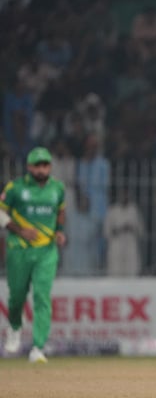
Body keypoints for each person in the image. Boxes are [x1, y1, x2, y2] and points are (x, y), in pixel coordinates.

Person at [1, 147, 67, 363]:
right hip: (19, 249)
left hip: (47, 252)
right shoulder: (15, 188)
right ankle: (14, 328)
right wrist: (20, 230)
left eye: (45, 164)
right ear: (29, 167)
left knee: (42, 297)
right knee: (17, 296)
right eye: (37, 165)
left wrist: (59, 232)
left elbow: (61, 211)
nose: (42, 169)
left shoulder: (57, 188)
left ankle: (38, 347)